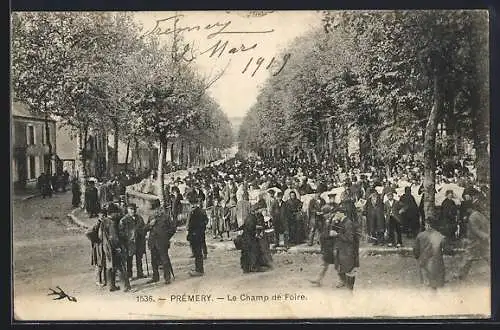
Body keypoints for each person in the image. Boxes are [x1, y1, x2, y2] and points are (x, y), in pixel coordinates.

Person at [98, 203, 131, 292]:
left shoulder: (103, 222)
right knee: (120, 266)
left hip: (106, 248)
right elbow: (114, 238)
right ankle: (124, 286)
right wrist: (118, 247)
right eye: (116, 212)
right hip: (113, 248)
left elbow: (100, 236)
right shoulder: (112, 223)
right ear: (112, 213)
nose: (117, 214)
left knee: (109, 267)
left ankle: (111, 286)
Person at [456, 197, 490, 280]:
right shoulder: (479, 214)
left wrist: (486, 237)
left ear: (468, 209)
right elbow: (487, 225)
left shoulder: (472, 217)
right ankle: (461, 275)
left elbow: (476, 231)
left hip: (475, 241)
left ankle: (461, 275)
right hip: (482, 241)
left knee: (468, 257)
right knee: (487, 256)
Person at [145, 200, 177, 285]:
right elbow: (145, 228)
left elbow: (173, 229)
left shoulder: (165, 217)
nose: (155, 211)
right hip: (153, 242)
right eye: (153, 210)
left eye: (156, 209)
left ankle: (167, 278)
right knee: (153, 261)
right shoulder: (151, 217)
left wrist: (166, 237)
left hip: (162, 242)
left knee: (164, 260)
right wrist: (150, 225)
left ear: (160, 208)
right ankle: (155, 277)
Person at [413, 216, 446, 290]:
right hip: (437, 264)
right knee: (435, 287)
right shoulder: (440, 236)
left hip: (424, 263)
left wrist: (418, 258)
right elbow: (446, 250)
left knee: (426, 285)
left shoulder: (420, 235)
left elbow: (415, 251)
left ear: (427, 225)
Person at [309, 207, 337, 286]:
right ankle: (318, 279)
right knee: (325, 264)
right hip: (327, 246)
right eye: (324, 214)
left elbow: (334, 233)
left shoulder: (333, 221)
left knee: (337, 264)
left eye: (326, 214)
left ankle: (343, 281)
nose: (325, 215)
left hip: (333, 246)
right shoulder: (324, 221)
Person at [118, 203, 146, 280]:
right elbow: (120, 232)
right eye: (131, 209)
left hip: (139, 241)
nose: (133, 211)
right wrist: (129, 235)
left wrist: (142, 232)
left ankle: (140, 273)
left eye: (134, 209)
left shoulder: (139, 218)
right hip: (129, 243)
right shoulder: (123, 220)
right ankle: (129, 275)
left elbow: (144, 228)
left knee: (139, 258)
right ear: (127, 209)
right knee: (129, 259)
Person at [331, 208, 357, 290]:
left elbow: (350, 238)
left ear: (340, 213)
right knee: (339, 265)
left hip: (347, 249)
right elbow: (332, 229)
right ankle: (343, 281)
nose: (335, 216)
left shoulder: (348, 223)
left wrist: (337, 234)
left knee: (348, 268)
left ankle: (350, 288)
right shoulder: (340, 222)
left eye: (336, 214)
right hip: (341, 247)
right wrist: (334, 222)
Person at [187, 198, 208, 276]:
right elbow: (206, 221)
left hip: (195, 235)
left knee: (197, 253)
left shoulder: (194, 212)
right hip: (200, 234)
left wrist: (191, 233)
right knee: (198, 253)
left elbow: (191, 225)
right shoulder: (202, 211)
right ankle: (198, 268)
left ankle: (199, 270)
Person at [87, 208, 106, 287]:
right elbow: (88, 233)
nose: (102, 216)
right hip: (98, 247)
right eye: (101, 215)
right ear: (98, 215)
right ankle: (98, 280)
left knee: (104, 262)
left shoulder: (105, 222)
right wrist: (96, 240)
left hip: (104, 245)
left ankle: (105, 279)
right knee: (99, 263)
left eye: (104, 215)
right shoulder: (96, 224)